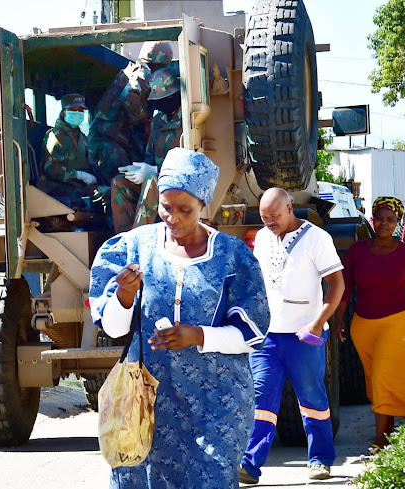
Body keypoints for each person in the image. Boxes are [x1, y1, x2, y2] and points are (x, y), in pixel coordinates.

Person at [90, 148, 270, 488]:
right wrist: (124, 297)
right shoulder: (133, 248)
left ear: (203, 205)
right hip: (147, 402)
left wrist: (199, 335)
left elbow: (253, 331)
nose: (173, 217)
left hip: (218, 402)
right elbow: (113, 329)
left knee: (212, 478)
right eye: (165, 207)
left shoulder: (233, 258)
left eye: (184, 210)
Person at [239, 188, 345, 485]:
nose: (269, 222)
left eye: (274, 216)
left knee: (311, 398)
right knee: (261, 397)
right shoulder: (261, 237)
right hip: (266, 337)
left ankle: (320, 460)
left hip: (304, 336)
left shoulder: (316, 238)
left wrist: (317, 323)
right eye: (264, 217)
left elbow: (337, 285)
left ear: (289, 208)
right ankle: (250, 464)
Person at [335, 196, 405, 451]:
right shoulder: (357, 251)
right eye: (380, 218)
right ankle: (388, 436)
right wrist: (339, 319)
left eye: (391, 220)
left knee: (383, 377)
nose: (384, 224)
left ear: (397, 223)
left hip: (398, 322)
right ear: (373, 219)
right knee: (376, 381)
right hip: (363, 326)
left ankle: (379, 441)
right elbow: (344, 289)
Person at [88, 40, 174, 180]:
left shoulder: (137, 69)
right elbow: (129, 96)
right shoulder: (143, 72)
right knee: (124, 176)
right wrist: (144, 122)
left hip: (116, 137)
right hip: (106, 137)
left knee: (136, 167)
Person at [111, 67, 181, 233]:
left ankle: (138, 238)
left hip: (178, 182)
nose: (161, 102)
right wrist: (141, 169)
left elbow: (190, 161)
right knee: (119, 182)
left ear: (175, 95)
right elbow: (150, 154)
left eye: (166, 97)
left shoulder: (188, 119)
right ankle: (123, 240)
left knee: (152, 179)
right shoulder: (158, 121)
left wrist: (155, 171)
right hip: (156, 177)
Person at [35, 93, 107, 209]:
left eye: (81, 110)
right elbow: (51, 169)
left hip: (76, 187)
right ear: (64, 113)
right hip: (58, 188)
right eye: (73, 109)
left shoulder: (82, 138)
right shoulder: (56, 136)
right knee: (107, 194)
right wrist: (80, 175)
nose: (78, 113)